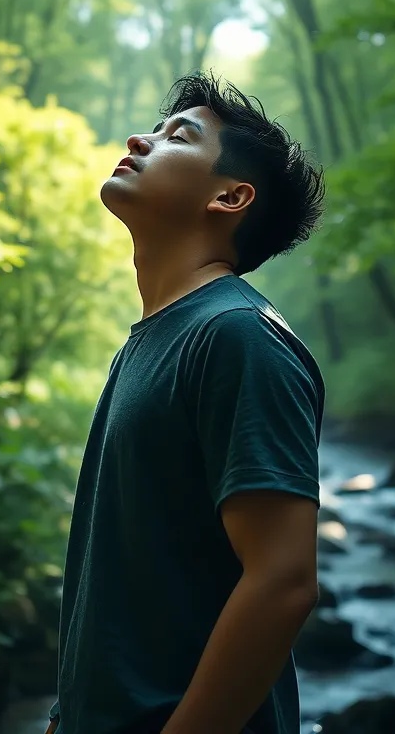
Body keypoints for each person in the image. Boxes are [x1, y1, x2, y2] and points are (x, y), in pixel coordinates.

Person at [45, 73, 326, 734]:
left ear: (231, 196)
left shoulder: (238, 338)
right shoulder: (148, 344)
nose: (138, 140)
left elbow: (284, 580)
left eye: (180, 136)